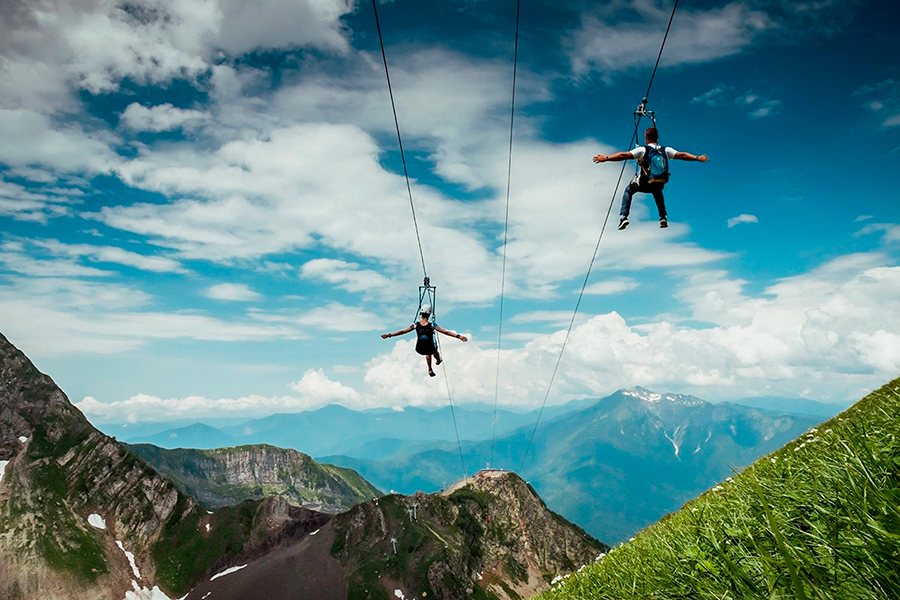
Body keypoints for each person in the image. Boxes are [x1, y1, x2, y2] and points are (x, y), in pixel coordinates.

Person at [593, 127, 708, 230]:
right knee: (657, 190)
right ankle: (663, 217)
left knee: (629, 190)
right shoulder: (665, 150)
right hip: (660, 181)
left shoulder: (643, 150)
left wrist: (606, 158)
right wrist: (698, 158)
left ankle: (623, 217)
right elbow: (682, 155)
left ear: (646, 138)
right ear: (657, 137)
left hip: (644, 182)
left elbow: (624, 155)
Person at [381, 304, 468, 377]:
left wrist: (389, 335)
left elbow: (402, 331)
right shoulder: (432, 325)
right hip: (429, 347)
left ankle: (430, 368)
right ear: (429, 314)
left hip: (420, 348)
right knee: (433, 350)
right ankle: (436, 362)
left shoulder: (415, 325)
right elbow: (445, 332)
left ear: (421, 313)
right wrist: (458, 336)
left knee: (429, 351)